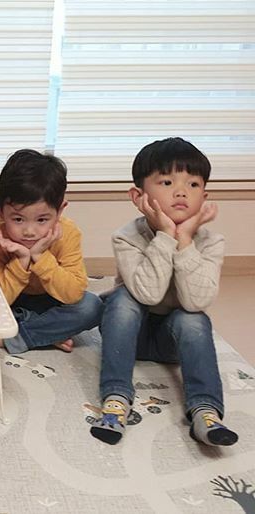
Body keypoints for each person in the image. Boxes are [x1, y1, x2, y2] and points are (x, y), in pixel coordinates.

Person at [90, 137, 238, 447]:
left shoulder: (211, 242)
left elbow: (196, 301)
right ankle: (116, 399)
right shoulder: (127, 237)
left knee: (193, 318)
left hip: (173, 344)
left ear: (205, 195)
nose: (182, 191)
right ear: (139, 195)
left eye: (193, 184)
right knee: (122, 299)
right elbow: (147, 294)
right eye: (167, 181)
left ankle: (205, 410)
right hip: (131, 336)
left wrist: (184, 239)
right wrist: (165, 236)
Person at [0, 149, 103, 354]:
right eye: (18, 219)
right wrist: (21, 260)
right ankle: (47, 333)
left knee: (92, 306)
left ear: (60, 211)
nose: (30, 232)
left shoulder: (68, 233)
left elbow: (74, 293)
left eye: (42, 220)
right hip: (10, 301)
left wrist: (40, 256)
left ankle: (19, 335)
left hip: (51, 299)